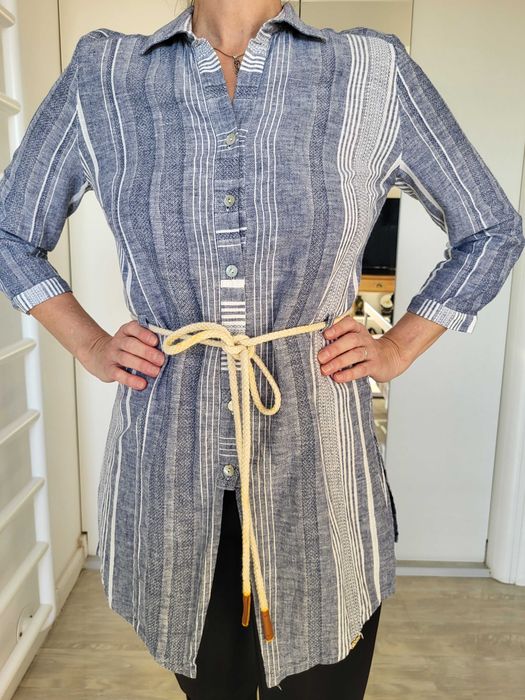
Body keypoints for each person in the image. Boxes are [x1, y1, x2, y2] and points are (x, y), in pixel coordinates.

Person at [0, 0, 523, 698]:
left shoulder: (372, 71)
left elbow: (490, 229)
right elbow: (11, 232)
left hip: (320, 471)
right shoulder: (105, 73)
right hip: (171, 475)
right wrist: (92, 345)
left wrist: (398, 347)